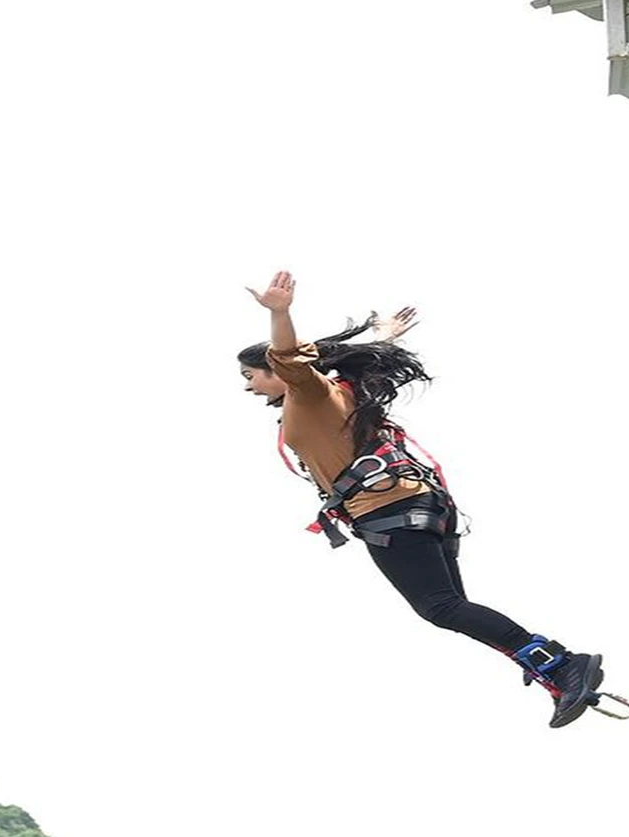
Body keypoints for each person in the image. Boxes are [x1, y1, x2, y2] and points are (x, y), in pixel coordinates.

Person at [238, 271, 604, 728]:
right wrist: (383, 337)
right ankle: (554, 673)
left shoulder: (308, 392)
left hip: (389, 514)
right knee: (453, 606)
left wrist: (280, 313)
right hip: (418, 507)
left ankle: (563, 664)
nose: (247, 385)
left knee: (441, 608)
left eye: (250, 374)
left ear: (277, 372)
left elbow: (289, 356)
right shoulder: (340, 392)